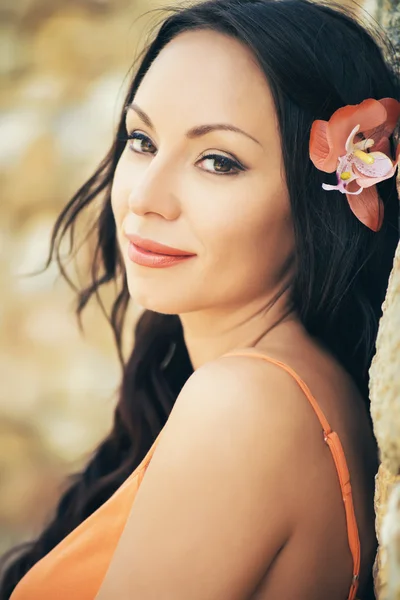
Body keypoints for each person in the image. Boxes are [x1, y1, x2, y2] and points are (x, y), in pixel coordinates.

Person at [1, 0, 399, 598]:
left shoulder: (244, 406)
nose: (146, 197)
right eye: (141, 140)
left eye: (218, 160)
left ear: (320, 204)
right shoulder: (291, 391)